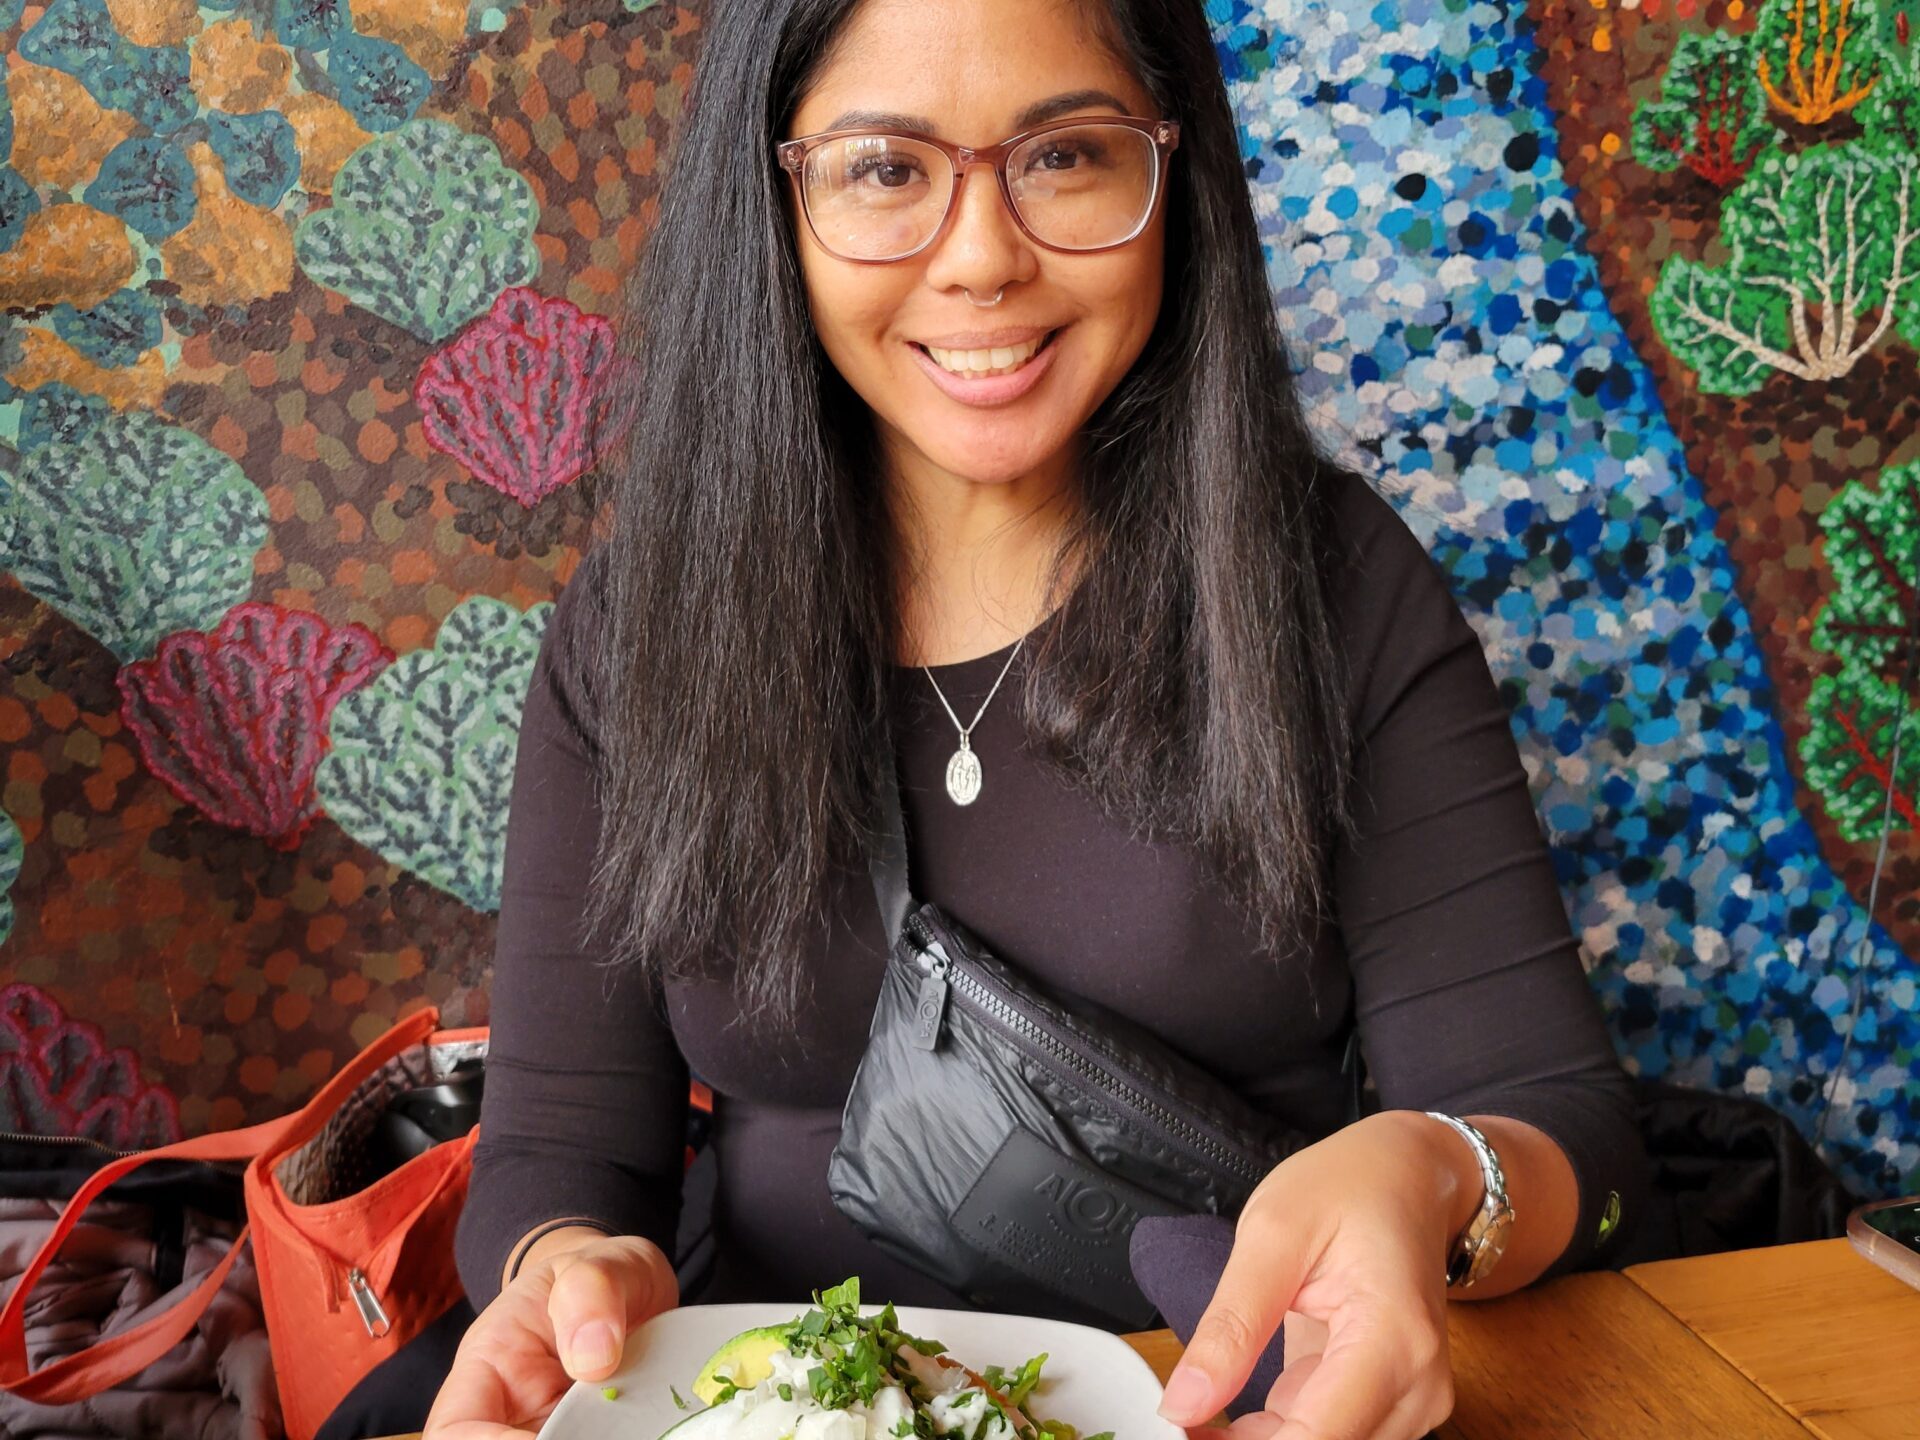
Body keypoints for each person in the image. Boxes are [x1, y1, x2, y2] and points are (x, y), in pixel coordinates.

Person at [412, 2, 1650, 1438]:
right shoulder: (643, 623)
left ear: (1172, 172)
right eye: (886, 169)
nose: (983, 257)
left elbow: (1571, 1134)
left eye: (1064, 155)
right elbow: (557, 1151)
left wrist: (1435, 1173)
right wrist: (561, 1267)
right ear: (774, 199)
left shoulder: (1332, 585)